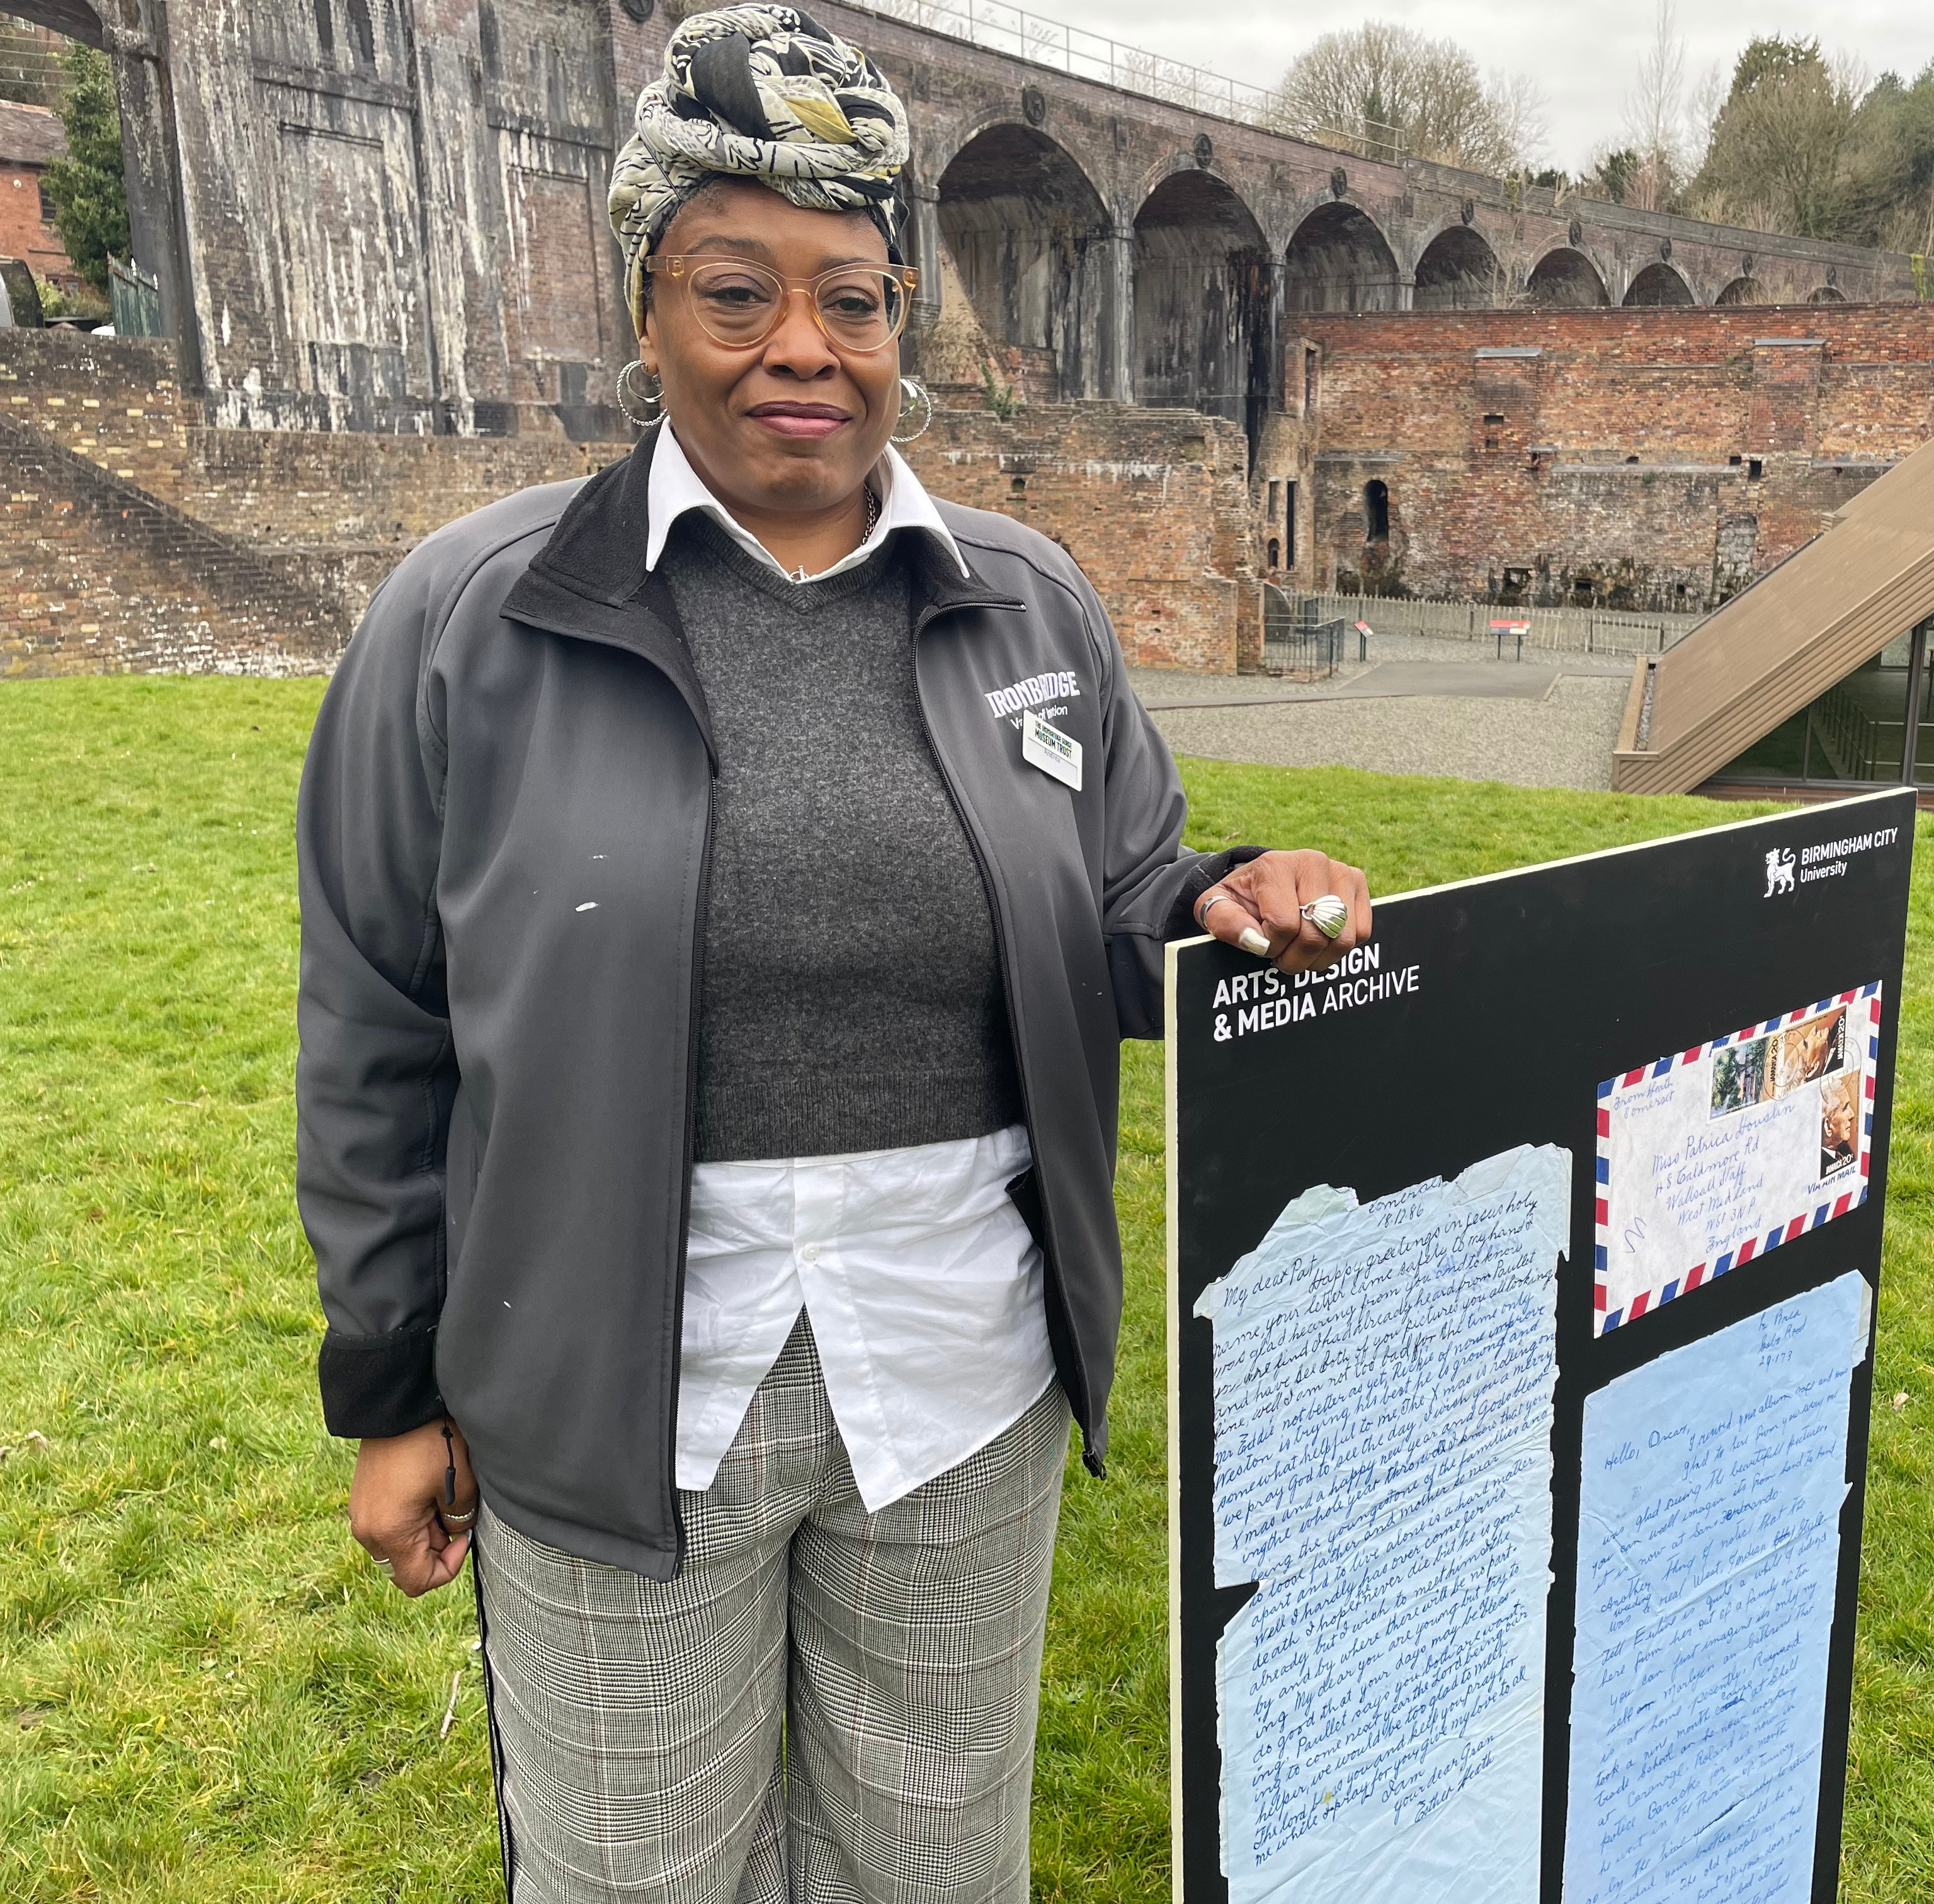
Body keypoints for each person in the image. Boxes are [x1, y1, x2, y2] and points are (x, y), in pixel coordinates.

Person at [293, 10, 1370, 1898]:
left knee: (934, 1871)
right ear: (646, 312)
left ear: (902, 330)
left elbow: (1116, 898)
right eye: (738, 292)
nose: (804, 347)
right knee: (633, 1872)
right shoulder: (470, 620)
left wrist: (1219, 899)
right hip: (612, 1393)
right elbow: (380, 1024)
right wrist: (390, 1390)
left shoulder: (1028, 603)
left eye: (855, 301)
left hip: (960, 1378)